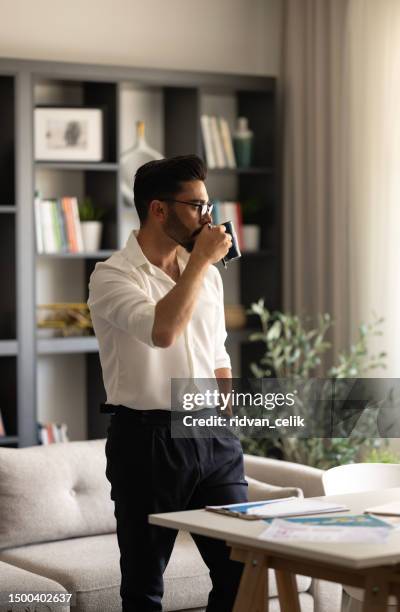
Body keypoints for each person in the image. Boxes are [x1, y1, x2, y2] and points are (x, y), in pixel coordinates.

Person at [87, 155, 248, 612]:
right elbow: (162, 332)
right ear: (158, 209)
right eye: (196, 206)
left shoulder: (207, 276)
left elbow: (217, 351)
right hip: (148, 440)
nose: (208, 217)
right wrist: (199, 261)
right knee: (144, 588)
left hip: (214, 439)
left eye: (208, 205)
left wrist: (226, 416)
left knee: (241, 573)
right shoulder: (112, 276)